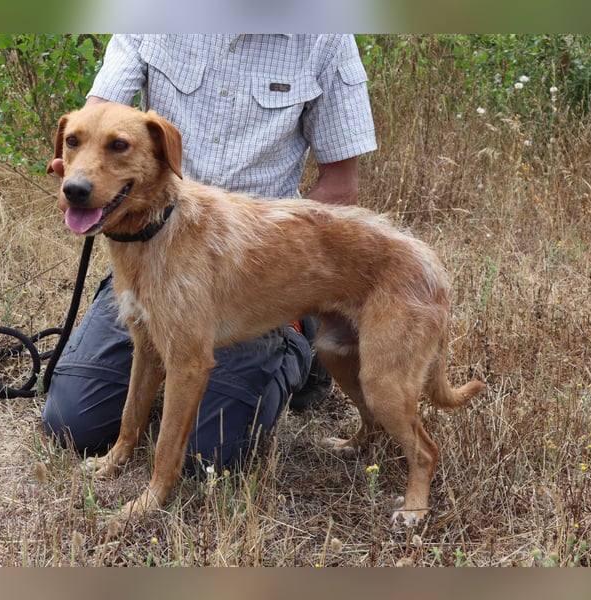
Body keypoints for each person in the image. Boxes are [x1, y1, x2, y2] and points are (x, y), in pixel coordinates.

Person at [42, 34, 377, 472]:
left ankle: (297, 342)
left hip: (253, 269)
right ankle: (164, 368)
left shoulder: (324, 37)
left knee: (211, 457)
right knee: (72, 425)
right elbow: (99, 115)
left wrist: (284, 273)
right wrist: (84, 173)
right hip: (154, 246)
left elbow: (340, 186)